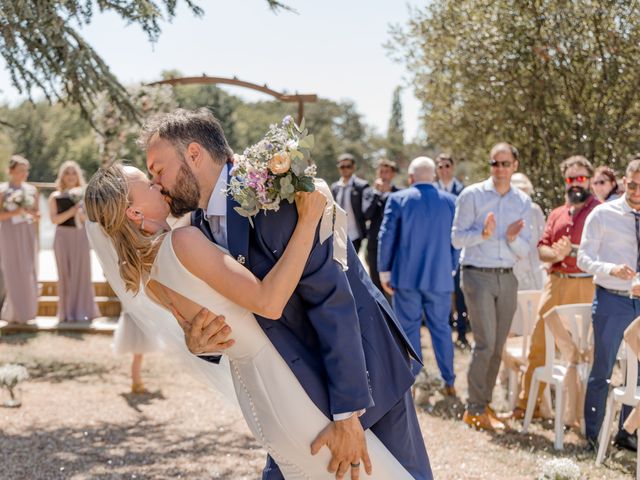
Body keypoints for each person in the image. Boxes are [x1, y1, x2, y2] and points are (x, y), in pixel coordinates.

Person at [138, 109, 431, 479]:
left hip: (364, 373)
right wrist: (202, 343)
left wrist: (347, 414)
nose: (156, 182)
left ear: (193, 154)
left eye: (158, 169)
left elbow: (331, 299)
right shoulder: (195, 229)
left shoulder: (271, 191)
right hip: (294, 385)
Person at [511, 156, 599, 420]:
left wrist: (569, 250)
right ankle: (528, 407)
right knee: (539, 343)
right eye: (570, 179)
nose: (575, 184)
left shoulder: (600, 211)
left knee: (586, 352)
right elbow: (542, 248)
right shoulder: (557, 213)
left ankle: (583, 414)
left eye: (581, 178)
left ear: (590, 180)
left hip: (587, 286)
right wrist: (555, 254)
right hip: (556, 283)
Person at [452, 142, 531, 431]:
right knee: (484, 343)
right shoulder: (471, 195)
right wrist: (483, 234)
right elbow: (457, 239)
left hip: (507, 277)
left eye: (505, 163)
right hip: (477, 274)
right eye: (494, 163)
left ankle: (484, 405)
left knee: (498, 346)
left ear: (515, 166)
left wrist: (510, 238)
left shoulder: (522, 201)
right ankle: (473, 408)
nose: (499, 169)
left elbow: (525, 247)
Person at [378, 156, 458, 395]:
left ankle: (412, 382)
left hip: (406, 277)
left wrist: (384, 271)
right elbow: (457, 242)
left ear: (411, 178)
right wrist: (450, 267)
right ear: (433, 176)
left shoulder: (398, 199)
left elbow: (386, 236)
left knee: (409, 329)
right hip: (440, 277)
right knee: (441, 328)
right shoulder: (451, 201)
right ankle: (449, 382)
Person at [578, 158, 640, 453]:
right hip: (611, 299)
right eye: (633, 184)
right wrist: (611, 268)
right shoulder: (603, 214)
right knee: (602, 369)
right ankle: (592, 435)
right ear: (625, 181)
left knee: (638, 374)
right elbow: (584, 258)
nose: (637, 190)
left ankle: (627, 433)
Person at [49, 161, 100, 322]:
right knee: (65, 275)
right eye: (67, 173)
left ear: (78, 175)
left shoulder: (84, 195)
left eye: (73, 173)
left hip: (80, 236)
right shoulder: (55, 196)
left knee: (82, 274)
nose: (70, 176)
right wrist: (71, 211)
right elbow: (54, 219)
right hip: (62, 237)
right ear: (62, 176)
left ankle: (83, 311)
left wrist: (80, 212)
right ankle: (66, 313)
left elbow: (90, 218)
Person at [434, 153, 469, 349]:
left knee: (460, 292)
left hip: (458, 248)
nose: (444, 169)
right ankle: (445, 332)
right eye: (440, 166)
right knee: (442, 294)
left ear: (452, 167)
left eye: (447, 166)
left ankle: (462, 334)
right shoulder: (433, 190)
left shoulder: (462, 190)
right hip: (438, 249)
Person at [0, 155, 39, 324]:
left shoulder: (32, 190)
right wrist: (15, 213)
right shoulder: (2, 190)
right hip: (9, 232)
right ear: (11, 171)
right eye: (21, 170)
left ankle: (27, 312)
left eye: (26, 170)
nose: (24, 173)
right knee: (11, 270)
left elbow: (38, 215)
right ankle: (12, 312)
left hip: (27, 231)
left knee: (28, 269)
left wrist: (32, 214)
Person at [362, 158, 399, 294]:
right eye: (381, 171)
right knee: (376, 284)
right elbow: (367, 214)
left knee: (393, 283)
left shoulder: (399, 193)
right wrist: (377, 194)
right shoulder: (369, 193)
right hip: (374, 245)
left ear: (392, 174)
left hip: (394, 244)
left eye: (387, 172)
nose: (384, 175)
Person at [113, 308, 163, 394]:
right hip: (135, 321)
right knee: (138, 355)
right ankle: (136, 382)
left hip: (134, 319)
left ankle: (137, 380)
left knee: (138, 355)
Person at [511, 173, 545, 290]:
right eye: (518, 190)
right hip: (513, 274)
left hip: (535, 272)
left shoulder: (535, 210)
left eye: (524, 190)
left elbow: (543, 239)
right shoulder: (504, 212)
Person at [331, 153, 369, 253]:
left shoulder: (361, 186)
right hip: (338, 235)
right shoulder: (335, 187)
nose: (345, 169)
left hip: (354, 235)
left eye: (348, 166)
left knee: (351, 267)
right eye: (342, 166)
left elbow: (366, 210)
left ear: (353, 167)